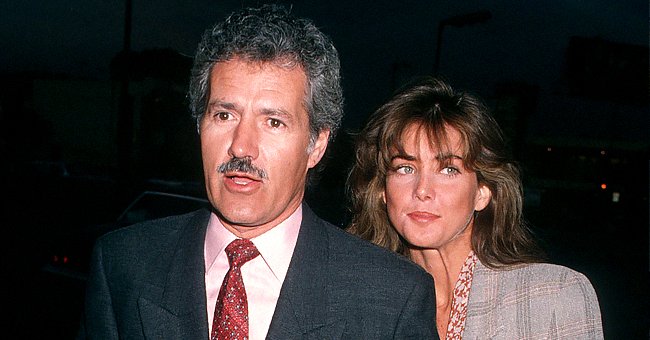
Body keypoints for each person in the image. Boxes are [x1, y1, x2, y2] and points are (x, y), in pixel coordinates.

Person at [78, 5, 438, 339]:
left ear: (317, 144)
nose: (241, 146)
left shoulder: (393, 299)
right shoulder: (122, 265)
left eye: (274, 122)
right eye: (224, 115)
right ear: (200, 126)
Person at [347, 76, 604, 339]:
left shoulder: (553, 297)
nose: (422, 190)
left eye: (448, 169)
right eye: (405, 168)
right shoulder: (355, 304)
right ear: (383, 192)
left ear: (483, 192)